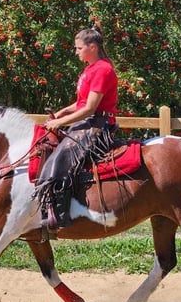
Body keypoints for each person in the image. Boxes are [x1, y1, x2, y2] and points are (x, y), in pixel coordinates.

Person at [35, 25, 119, 230]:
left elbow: (90, 109)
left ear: (92, 46)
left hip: (98, 125)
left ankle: (60, 214)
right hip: (88, 122)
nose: (76, 52)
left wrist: (59, 122)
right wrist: (64, 111)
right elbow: (82, 102)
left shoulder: (103, 70)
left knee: (60, 158)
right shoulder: (91, 69)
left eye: (79, 48)